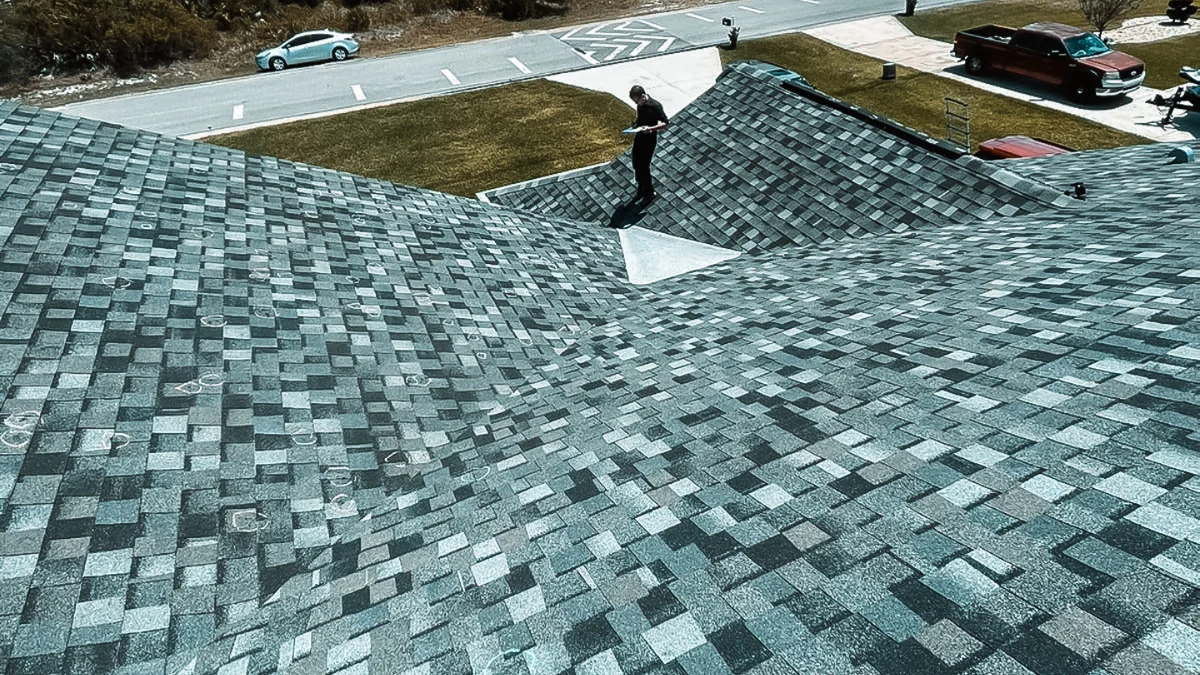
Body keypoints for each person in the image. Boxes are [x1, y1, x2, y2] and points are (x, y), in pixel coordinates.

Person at [628, 85, 669, 203]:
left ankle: (650, 192)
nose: (637, 103)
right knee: (636, 163)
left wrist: (651, 128)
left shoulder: (655, 106)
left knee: (644, 166)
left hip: (649, 139)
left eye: (637, 100)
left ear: (642, 96)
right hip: (640, 136)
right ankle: (641, 187)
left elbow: (666, 123)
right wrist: (635, 124)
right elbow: (640, 119)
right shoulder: (640, 106)